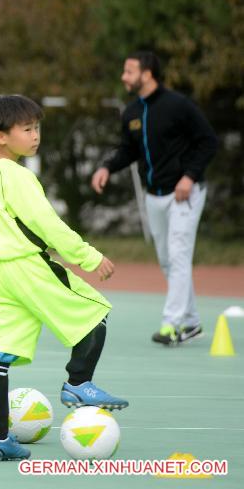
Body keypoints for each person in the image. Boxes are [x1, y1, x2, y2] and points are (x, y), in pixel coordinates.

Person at [0, 95, 127, 462]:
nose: (35, 135)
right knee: (95, 313)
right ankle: (77, 383)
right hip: (26, 266)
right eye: (27, 129)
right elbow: (46, 224)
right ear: (1, 136)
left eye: (37, 127)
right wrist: (89, 256)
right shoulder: (19, 176)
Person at [91, 51, 218, 346]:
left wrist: (189, 176)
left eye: (129, 71)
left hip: (184, 193)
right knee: (167, 260)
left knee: (178, 255)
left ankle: (171, 325)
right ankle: (192, 322)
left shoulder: (178, 105)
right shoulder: (132, 112)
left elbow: (208, 141)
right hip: (154, 196)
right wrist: (107, 167)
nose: (124, 77)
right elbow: (129, 150)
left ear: (147, 74)